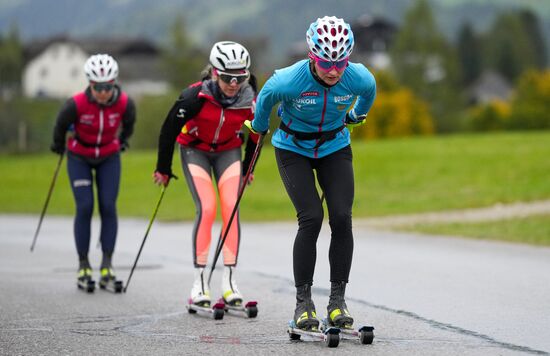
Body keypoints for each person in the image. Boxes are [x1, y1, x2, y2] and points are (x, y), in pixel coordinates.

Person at [247, 16, 376, 330]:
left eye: (340, 63)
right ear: (312, 57)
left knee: (342, 218)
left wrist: (356, 115)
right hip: (293, 149)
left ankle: (337, 302)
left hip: (334, 147)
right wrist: (260, 127)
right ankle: (303, 303)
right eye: (325, 63)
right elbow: (264, 99)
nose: (333, 71)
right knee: (311, 217)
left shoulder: (359, 78)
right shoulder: (288, 81)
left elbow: (368, 94)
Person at [153, 41, 259, 308]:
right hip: (195, 150)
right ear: (214, 72)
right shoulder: (193, 97)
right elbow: (167, 130)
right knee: (208, 208)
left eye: (240, 77)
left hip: (229, 152)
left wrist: (248, 169)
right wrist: (163, 169)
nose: (234, 83)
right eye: (227, 77)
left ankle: (229, 281)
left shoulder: (251, 100)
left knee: (231, 207)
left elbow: (256, 134)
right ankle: (199, 282)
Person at [50, 54, 136, 289]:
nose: (103, 92)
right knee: (85, 206)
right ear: (90, 84)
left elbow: (129, 124)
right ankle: (83, 263)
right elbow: (59, 125)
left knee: (108, 206)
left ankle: (107, 263)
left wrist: (123, 140)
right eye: (98, 87)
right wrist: (58, 145)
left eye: (107, 86)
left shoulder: (125, 103)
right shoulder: (76, 104)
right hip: (79, 156)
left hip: (109, 156)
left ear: (114, 83)